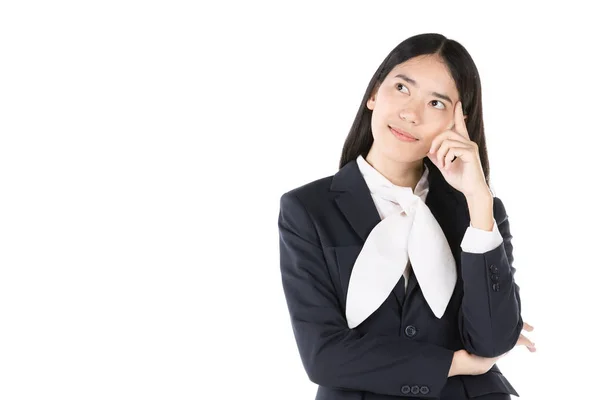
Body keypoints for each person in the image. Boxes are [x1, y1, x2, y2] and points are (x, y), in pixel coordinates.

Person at [277, 33, 536, 400]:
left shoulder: (479, 211)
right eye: (401, 88)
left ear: (457, 122)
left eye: (435, 102)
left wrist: (479, 200)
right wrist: (453, 362)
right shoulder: (307, 209)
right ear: (373, 94)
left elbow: (493, 339)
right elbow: (324, 356)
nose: (410, 113)